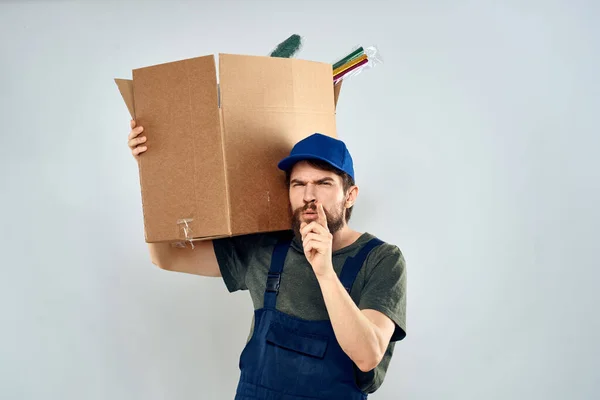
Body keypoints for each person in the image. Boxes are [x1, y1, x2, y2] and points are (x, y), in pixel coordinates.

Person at [127, 120, 407, 399]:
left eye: (323, 183)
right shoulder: (266, 247)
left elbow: (368, 355)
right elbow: (166, 257)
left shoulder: (381, 259)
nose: (309, 196)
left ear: (350, 196)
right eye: (298, 184)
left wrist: (324, 271)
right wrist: (150, 169)